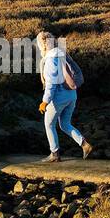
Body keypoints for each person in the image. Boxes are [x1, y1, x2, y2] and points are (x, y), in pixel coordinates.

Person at [36, 31, 93, 162]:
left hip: (58, 98)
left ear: (42, 45)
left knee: (49, 124)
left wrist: (45, 102)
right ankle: (84, 144)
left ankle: (54, 154)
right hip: (72, 95)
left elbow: (51, 85)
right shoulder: (62, 54)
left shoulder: (50, 59)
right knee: (65, 124)